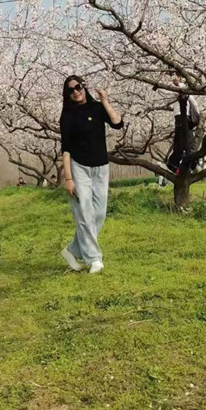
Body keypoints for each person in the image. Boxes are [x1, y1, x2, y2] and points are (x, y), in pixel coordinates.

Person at [60, 76, 123, 275]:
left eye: (78, 87)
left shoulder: (96, 108)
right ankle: (94, 259)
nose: (75, 91)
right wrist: (68, 179)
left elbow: (117, 122)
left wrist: (104, 100)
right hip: (79, 168)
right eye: (70, 90)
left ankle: (72, 250)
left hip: (101, 167)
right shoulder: (68, 116)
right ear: (67, 95)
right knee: (85, 213)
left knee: (99, 214)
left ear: (83, 87)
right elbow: (66, 149)